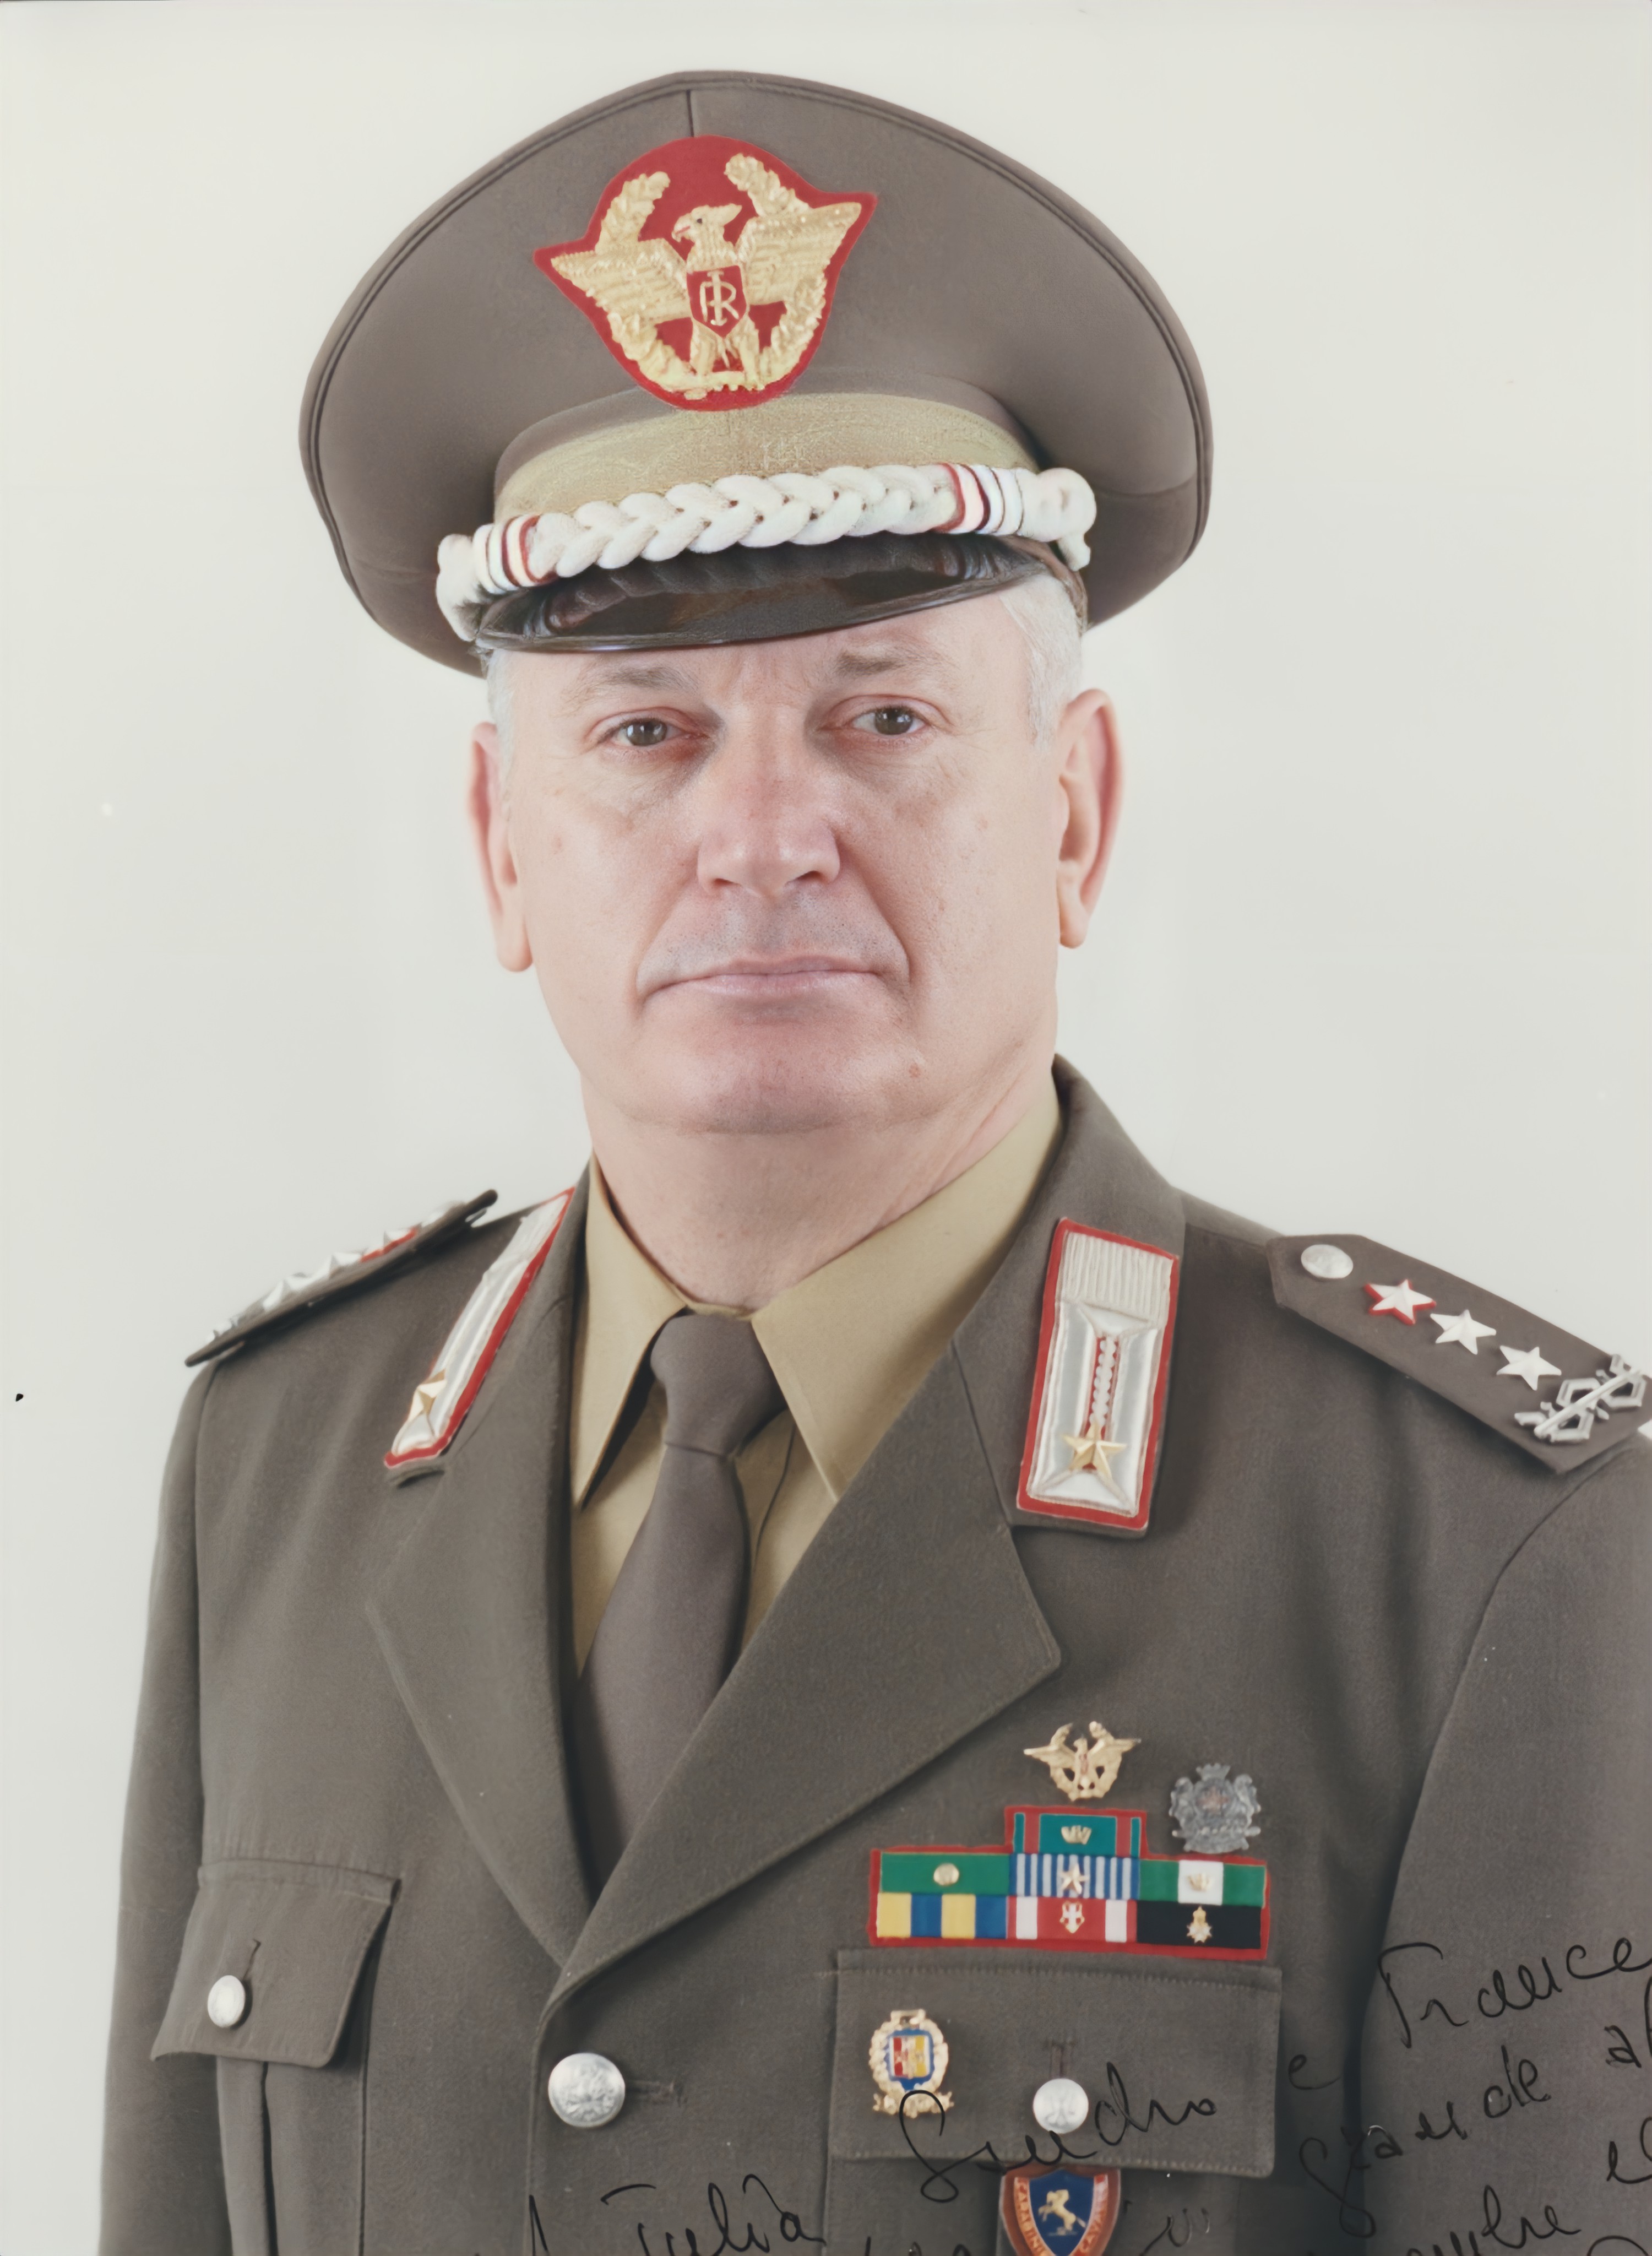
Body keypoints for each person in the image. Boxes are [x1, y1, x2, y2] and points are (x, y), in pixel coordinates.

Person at [100, 69, 1649, 2256]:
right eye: (645, 732)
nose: (762, 838)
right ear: (501, 849)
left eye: (882, 715)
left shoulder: (1484, 1545)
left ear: (1075, 810)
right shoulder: (278, 1463)